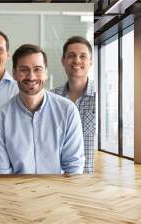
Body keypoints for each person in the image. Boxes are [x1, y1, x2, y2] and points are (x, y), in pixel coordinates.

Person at [0, 44, 84, 174]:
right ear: (14, 73)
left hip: (58, 192)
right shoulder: (0, 118)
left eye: (37, 69)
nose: (31, 76)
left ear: (46, 73)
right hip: (15, 192)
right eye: (24, 70)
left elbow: (73, 168)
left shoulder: (68, 111)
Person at [51, 36, 96, 174]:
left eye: (83, 56)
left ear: (90, 62)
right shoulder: (51, 99)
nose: (77, 60)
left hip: (93, 179)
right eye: (71, 56)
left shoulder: (100, 97)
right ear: (63, 61)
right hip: (59, 179)